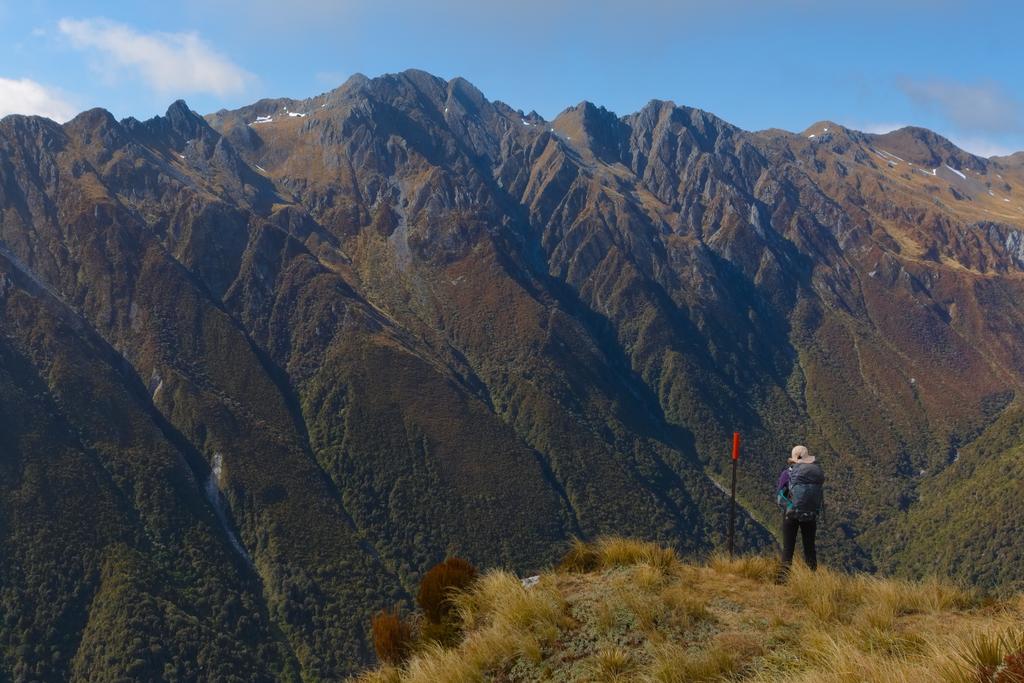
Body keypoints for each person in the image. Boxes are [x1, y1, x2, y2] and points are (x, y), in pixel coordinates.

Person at [776, 445, 824, 580]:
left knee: (788, 549)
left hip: (791, 514)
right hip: (810, 514)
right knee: (810, 548)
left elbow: (779, 496)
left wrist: (788, 506)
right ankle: (812, 580)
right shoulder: (814, 474)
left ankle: (782, 580)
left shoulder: (787, 474)